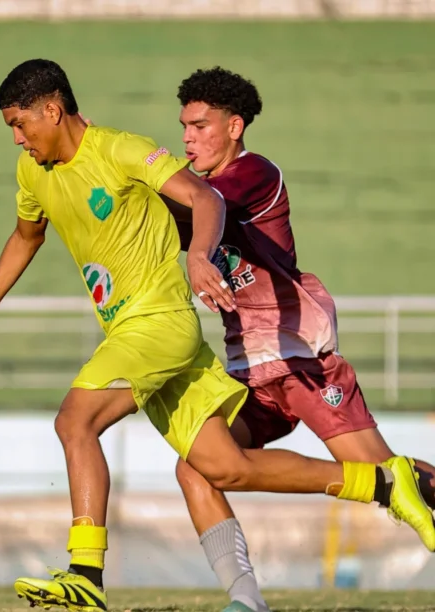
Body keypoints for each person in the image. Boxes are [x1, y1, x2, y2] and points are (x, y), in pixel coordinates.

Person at [0, 59, 435, 612]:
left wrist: (190, 247)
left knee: (75, 421)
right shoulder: (40, 172)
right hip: (230, 355)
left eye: (20, 124)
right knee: (214, 467)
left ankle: (84, 576)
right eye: (184, 128)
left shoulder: (211, 166)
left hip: (262, 347)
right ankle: (287, 566)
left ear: (52, 110)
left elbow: (203, 197)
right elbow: (35, 233)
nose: (17, 138)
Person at [167, 66, 435, 612]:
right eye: (184, 127)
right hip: (248, 371)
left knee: (391, 479)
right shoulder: (198, 193)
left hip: (298, 361)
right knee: (197, 463)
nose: (188, 138)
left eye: (199, 125)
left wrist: (126, 173)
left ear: (235, 126)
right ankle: (246, 601)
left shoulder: (253, 173)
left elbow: (192, 204)